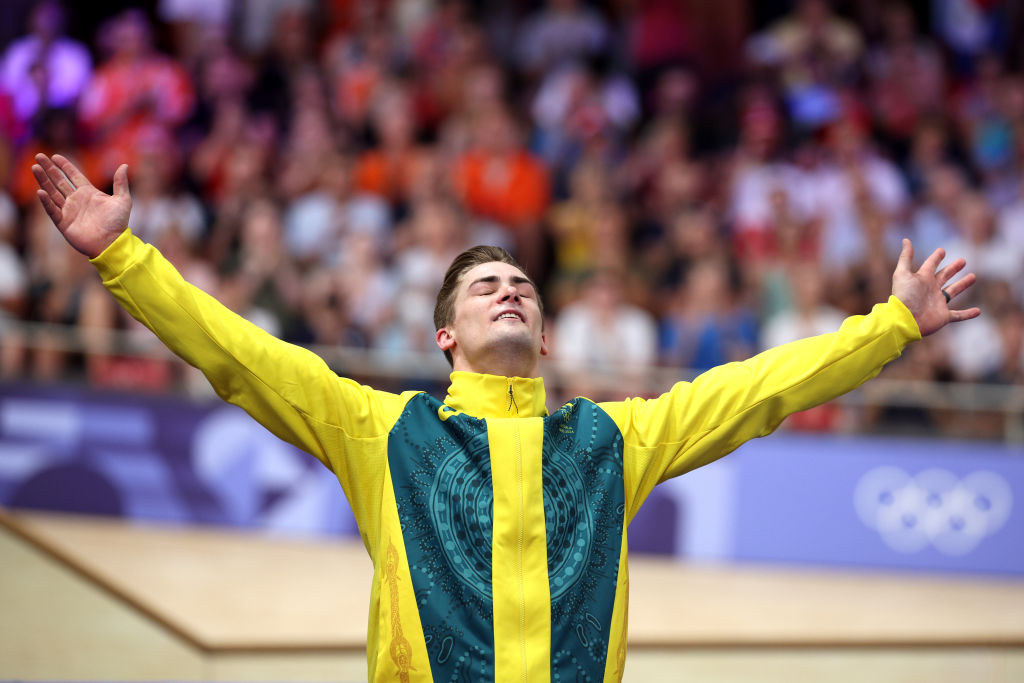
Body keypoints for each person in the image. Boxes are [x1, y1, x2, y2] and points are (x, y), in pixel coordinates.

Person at [32, 153, 979, 682]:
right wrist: (126, 260)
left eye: (523, 284)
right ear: (445, 334)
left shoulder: (610, 440)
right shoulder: (384, 432)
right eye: (486, 286)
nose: (511, 291)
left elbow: (758, 389)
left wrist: (893, 326)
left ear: (548, 330)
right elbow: (238, 356)